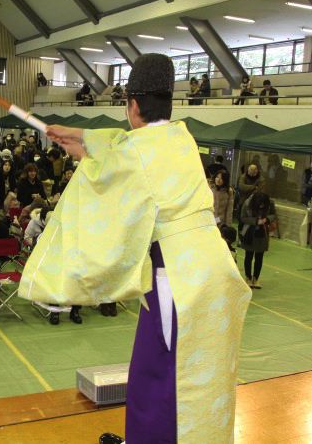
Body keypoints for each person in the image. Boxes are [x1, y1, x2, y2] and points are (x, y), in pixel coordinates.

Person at [23, 53, 251, 443]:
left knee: (159, 379)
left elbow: (111, 175)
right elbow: (124, 149)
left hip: (178, 282)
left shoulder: (133, 151)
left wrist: (82, 154)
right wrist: (81, 140)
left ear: (131, 105)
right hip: (218, 274)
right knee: (208, 376)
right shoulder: (181, 136)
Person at [240, 192, 276, 289]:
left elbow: (273, 214)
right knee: (249, 256)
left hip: (262, 233)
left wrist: (267, 219)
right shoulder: (247, 203)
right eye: (260, 204)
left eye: (263, 204)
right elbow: (243, 218)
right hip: (249, 233)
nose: (262, 206)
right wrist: (256, 221)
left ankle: (256, 278)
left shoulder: (270, 204)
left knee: (259, 257)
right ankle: (248, 277)